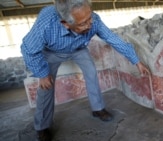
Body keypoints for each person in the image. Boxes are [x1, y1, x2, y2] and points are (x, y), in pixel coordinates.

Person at [20, 0, 151, 141]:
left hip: (78, 48)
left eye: (90, 18)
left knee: (91, 72)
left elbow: (113, 39)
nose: (90, 24)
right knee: (45, 86)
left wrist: (136, 61)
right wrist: (42, 74)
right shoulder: (46, 22)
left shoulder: (93, 20)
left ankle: (98, 109)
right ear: (65, 23)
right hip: (52, 52)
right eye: (83, 23)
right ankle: (42, 126)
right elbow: (28, 49)